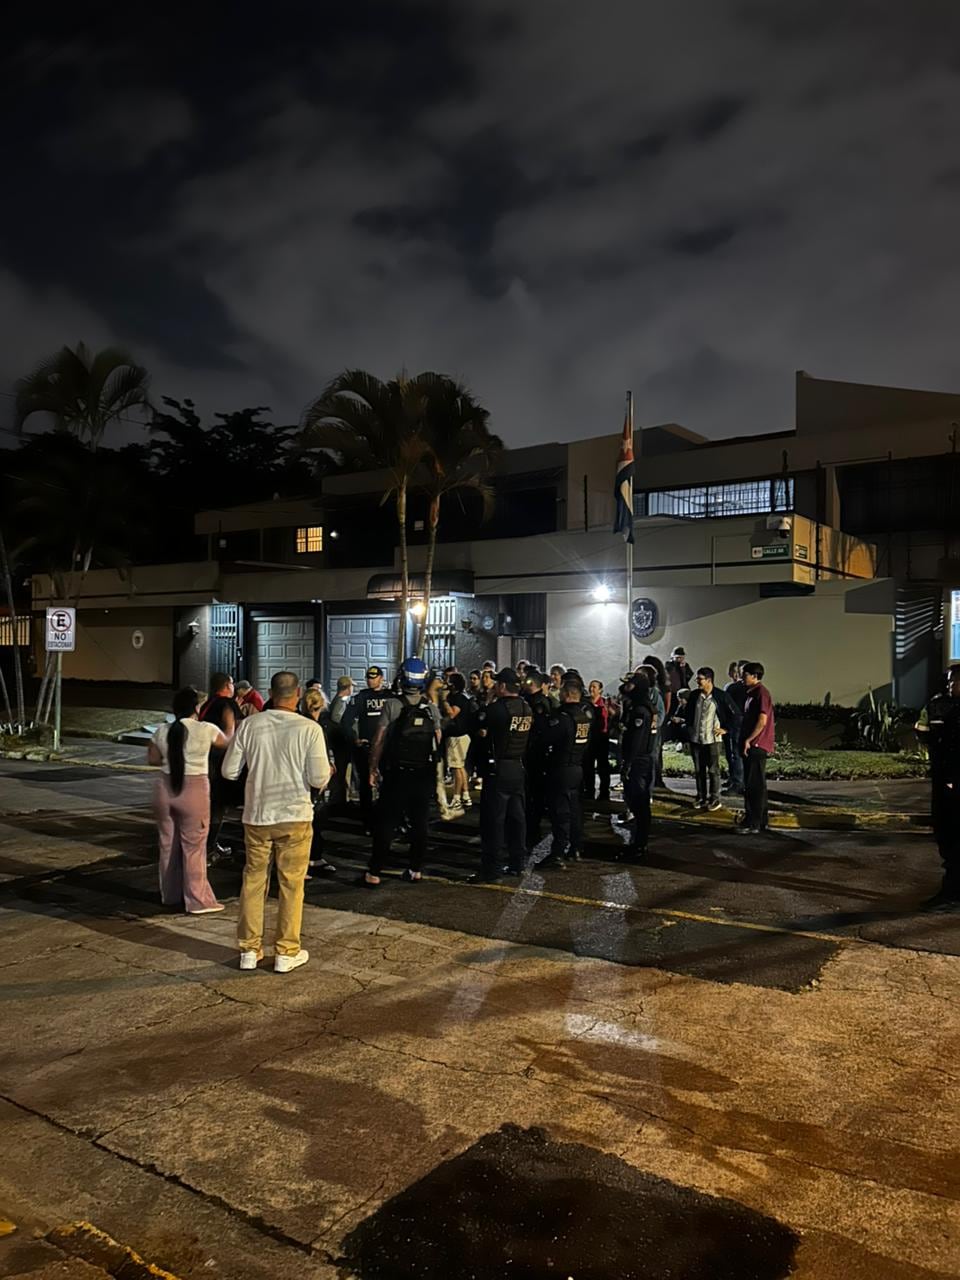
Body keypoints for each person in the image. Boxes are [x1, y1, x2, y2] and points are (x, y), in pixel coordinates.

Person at [223, 670, 331, 973]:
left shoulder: (250, 726)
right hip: (295, 815)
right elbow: (318, 777)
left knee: (253, 881)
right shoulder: (309, 729)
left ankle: (249, 949)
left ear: (270, 694)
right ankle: (286, 951)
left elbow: (229, 771)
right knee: (292, 885)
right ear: (297, 695)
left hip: (257, 815)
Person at [147, 687, 226, 914]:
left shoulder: (162, 730)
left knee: (167, 844)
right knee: (194, 846)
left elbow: (153, 759)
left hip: (164, 787)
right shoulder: (206, 729)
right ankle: (197, 900)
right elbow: (227, 742)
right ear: (196, 708)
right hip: (194, 789)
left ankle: (170, 894)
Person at [364, 658, 442, 887]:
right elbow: (438, 740)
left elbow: (378, 740)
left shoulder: (392, 705)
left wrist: (372, 768)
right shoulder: (431, 708)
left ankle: (375, 871)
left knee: (387, 822)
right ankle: (415, 869)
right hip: (423, 774)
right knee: (420, 823)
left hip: (397, 773)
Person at [470, 668, 532, 882]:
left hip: (499, 769)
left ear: (503, 687)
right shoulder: (526, 707)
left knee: (493, 821)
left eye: (498, 684)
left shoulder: (496, 709)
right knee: (517, 819)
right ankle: (518, 863)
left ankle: (491, 869)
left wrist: (487, 702)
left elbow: (477, 724)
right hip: (517, 767)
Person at [915, 665, 960, 905]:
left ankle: (952, 893)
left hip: (954, 779)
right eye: (951, 681)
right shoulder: (937, 704)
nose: (952, 685)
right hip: (942, 778)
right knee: (945, 832)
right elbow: (922, 730)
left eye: (957, 681)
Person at [541, 679, 594, 868]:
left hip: (561, 768)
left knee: (560, 813)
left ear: (567, 695)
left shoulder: (563, 717)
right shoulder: (583, 716)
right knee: (574, 810)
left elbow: (546, 738)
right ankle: (575, 848)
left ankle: (557, 854)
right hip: (577, 767)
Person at [346, 666, 397, 834]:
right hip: (367, 747)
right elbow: (346, 721)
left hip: (387, 748)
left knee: (389, 785)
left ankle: (388, 818)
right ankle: (368, 821)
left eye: (374, 677)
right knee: (366, 787)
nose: (370, 679)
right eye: (368, 677)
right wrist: (355, 739)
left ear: (381, 678)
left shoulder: (390, 696)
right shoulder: (362, 697)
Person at [199, 673, 240, 857]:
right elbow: (231, 733)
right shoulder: (227, 704)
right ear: (226, 685)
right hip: (219, 760)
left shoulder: (208, 704)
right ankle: (210, 847)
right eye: (232, 683)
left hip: (204, 759)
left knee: (208, 805)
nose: (234, 686)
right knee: (218, 806)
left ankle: (205, 845)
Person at [683, 667, 736, 811]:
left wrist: (726, 729)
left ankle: (715, 798)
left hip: (713, 739)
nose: (697, 682)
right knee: (699, 770)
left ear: (709, 680)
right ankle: (701, 796)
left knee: (713, 770)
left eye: (700, 679)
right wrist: (687, 733)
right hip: (696, 739)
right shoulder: (695, 696)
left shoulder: (720, 696)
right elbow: (687, 715)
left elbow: (736, 715)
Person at [617, 670, 656, 861]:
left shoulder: (640, 710)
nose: (627, 688)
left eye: (630, 685)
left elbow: (636, 741)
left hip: (639, 761)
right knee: (636, 803)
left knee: (639, 804)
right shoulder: (640, 706)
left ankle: (639, 844)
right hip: (642, 760)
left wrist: (628, 764)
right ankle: (637, 842)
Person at [301, 686, 338, 878]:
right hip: (313, 780)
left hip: (309, 776)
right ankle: (308, 859)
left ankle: (314, 856)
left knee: (316, 820)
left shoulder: (306, 724)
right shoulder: (314, 727)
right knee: (313, 819)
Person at [739, 662, 775, 834]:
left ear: (755, 676)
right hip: (755, 744)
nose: (741, 677)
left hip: (757, 744)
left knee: (753, 785)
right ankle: (761, 821)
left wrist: (749, 739)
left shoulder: (761, 693)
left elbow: (762, 720)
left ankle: (752, 822)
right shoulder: (752, 693)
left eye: (744, 674)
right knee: (757, 784)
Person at [522, 669, 552, 852]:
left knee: (534, 795)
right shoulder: (530, 700)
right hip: (530, 753)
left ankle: (533, 831)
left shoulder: (540, 703)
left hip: (535, 754)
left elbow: (540, 729)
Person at [426, 671, 460, 821]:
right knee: (437, 780)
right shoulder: (430, 701)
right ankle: (444, 809)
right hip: (430, 747)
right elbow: (438, 724)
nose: (444, 683)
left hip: (429, 747)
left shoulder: (433, 700)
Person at [444, 671, 474, 811]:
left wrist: (443, 700)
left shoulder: (459, 698)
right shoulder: (459, 696)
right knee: (460, 767)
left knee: (457, 767)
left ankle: (457, 798)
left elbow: (452, 714)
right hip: (459, 735)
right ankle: (465, 796)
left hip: (458, 735)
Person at [325, 675, 355, 811]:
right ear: (347, 688)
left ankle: (340, 798)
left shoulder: (337, 700)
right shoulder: (341, 702)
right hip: (342, 742)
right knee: (342, 770)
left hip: (338, 742)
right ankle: (340, 800)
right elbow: (337, 718)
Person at [642, 654, 672, 784]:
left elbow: (665, 707)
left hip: (657, 722)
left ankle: (656, 778)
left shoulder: (660, 686)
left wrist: (657, 721)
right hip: (650, 722)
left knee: (655, 751)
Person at [722, 661, 749, 796]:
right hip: (745, 724)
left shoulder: (733, 688)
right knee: (738, 754)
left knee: (735, 754)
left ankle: (737, 783)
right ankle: (737, 780)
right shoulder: (753, 689)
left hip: (734, 723)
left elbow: (725, 706)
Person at [582, 679, 611, 804]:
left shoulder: (604, 704)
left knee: (602, 766)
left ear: (600, 690)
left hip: (602, 738)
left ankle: (604, 792)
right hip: (590, 738)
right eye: (590, 687)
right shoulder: (586, 704)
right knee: (588, 766)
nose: (591, 689)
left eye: (594, 687)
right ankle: (589, 791)